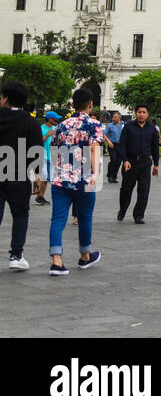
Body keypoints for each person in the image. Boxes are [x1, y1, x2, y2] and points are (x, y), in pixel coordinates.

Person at [47, 88, 104, 275]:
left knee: (57, 219)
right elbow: (95, 149)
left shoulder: (62, 125)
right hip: (84, 179)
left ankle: (56, 261)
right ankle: (85, 256)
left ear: (72, 104)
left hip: (61, 179)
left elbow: (54, 150)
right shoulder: (93, 124)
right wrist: (95, 174)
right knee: (85, 217)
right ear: (90, 105)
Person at [0, 81, 42, 271]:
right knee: (20, 214)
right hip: (18, 174)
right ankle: (16, 255)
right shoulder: (30, 121)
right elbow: (36, 151)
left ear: (6, 99)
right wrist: (37, 176)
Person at [117, 104, 159, 224]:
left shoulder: (152, 129)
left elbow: (155, 148)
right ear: (136, 113)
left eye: (144, 112)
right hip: (130, 162)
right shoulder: (129, 127)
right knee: (126, 189)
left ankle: (139, 215)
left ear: (148, 114)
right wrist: (125, 160)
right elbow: (122, 145)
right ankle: (123, 209)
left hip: (145, 162)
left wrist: (156, 164)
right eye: (139, 112)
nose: (141, 114)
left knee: (144, 190)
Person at [34, 110, 59, 205]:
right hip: (42, 155)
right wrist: (48, 134)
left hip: (51, 156)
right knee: (43, 176)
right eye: (55, 118)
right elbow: (38, 141)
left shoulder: (56, 129)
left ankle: (40, 196)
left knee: (47, 178)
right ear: (49, 119)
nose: (57, 120)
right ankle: (39, 195)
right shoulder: (41, 128)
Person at [103, 111, 124, 184]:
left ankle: (114, 176)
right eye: (113, 117)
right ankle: (110, 176)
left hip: (121, 146)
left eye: (115, 117)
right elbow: (104, 134)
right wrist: (108, 141)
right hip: (112, 145)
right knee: (113, 160)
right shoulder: (110, 125)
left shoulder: (124, 125)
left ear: (119, 118)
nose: (113, 119)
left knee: (118, 162)